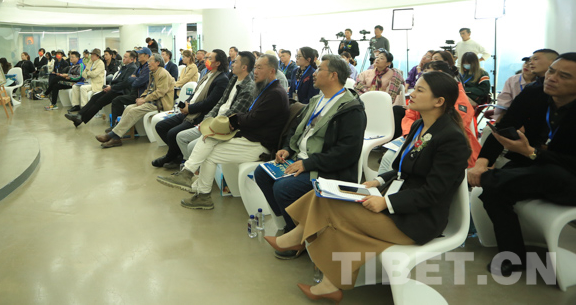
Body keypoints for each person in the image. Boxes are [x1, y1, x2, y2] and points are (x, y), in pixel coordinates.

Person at [265, 71, 469, 301]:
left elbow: (433, 193)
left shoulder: (452, 140)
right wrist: (379, 181)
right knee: (322, 193)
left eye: (420, 90)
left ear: (439, 101)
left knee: (334, 209)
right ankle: (320, 271)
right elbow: (403, 168)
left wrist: (386, 202)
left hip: (418, 219)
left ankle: (297, 242)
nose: (411, 93)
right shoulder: (420, 125)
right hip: (399, 202)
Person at [472, 53, 576, 277]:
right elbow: (503, 128)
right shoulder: (534, 93)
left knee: (547, 173)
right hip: (536, 166)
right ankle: (513, 257)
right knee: (493, 190)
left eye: (564, 76)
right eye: (551, 71)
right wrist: (481, 163)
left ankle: (491, 178)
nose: (552, 78)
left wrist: (532, 153)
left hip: (568, 176)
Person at [254, 55, 367, 251]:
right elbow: (296, 130)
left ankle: (298, 239)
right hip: (300, 158)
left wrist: (308, 164)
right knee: (261, 173)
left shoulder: (351, 109)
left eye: (319, 69)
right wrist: (287, 149)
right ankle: (294, 225)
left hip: (325, 169)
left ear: (333, 75)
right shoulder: (316, 100)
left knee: (283, 188)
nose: (314, 73)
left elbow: (347, 152)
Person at [157, 54, 289, 210]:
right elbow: (247, 115)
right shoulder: (265, 89)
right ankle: (188, 174)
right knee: (208, 137)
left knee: (209, 155)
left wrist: (234, 120)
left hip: (260, 145)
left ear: (272, 71)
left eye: (259, 67)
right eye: (255, 67)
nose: (255, 71)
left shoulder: (275, 94)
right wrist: (232, 122)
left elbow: (253, 119)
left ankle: (203, 194)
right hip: (249, 136)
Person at [390, 60, 480, 168]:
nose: (412, 94)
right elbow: (409, 116)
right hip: (418, 138)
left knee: (393, 158)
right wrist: (411, 136)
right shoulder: (417, 124)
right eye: (415, 89)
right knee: (389, 158)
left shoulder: (451, 137)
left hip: (435, 147)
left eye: (419, 90)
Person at [152, 49, 229, 168]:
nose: (206, 60)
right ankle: (176, 155)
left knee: (172, 133)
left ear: (218, 63)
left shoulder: (222, 79)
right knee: (160, 126)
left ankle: (171, 156)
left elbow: (210, 103)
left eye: (210, 58)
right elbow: (195, 94)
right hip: (190, 110)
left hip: (199, 115)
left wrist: (190, 109)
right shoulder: (207, 75)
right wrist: (185, 105)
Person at [174, 51, 257, 162]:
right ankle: (192, 167)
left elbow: (233, 113)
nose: (232, 64)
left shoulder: (248, 88)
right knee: (180, 137)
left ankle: (191, 168)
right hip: (214, 120)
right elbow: (220, 103)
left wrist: (211, 125)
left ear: (244, 67)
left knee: (191, 146)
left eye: (235, 62)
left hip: (224, 126)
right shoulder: (233, 79)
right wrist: (207, 119)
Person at [96, 53, 174, 148]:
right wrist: (142, 98)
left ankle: (112, 135)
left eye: (150, 61)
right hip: (151, 101)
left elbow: (160, 93)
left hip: (159, 104)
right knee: (129, 108)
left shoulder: (163, 74)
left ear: (158, 62)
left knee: (134, 111)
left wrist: (144, 100)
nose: (148, 63)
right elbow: (148, 89)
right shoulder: (153, 73)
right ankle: (116, 137)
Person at [65, 51, 138, 127]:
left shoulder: (132, 68)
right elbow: (116, 80)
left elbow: (125, 83)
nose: (123, 58)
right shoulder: (125, 67)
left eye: (126, 57)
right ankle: (79, 115)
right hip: (115, 88)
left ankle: (79, 119)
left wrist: (111, 87)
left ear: (131, 59)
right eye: (124, 56)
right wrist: (109, 86)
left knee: (100, 101)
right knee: (95, 97)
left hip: (121, 91)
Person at [109, 47, 152, 126]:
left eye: (141, 54)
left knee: (117, 100)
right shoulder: (140, 67)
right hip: (134, 92)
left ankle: (117, 125)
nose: (138, 55)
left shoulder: (148, 68)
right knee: (116, 99)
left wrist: (134, 78)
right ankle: (116, 124)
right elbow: (129, 79)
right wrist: (135, 79)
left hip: (140, 95)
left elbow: (138, 82)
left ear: (147, 56)